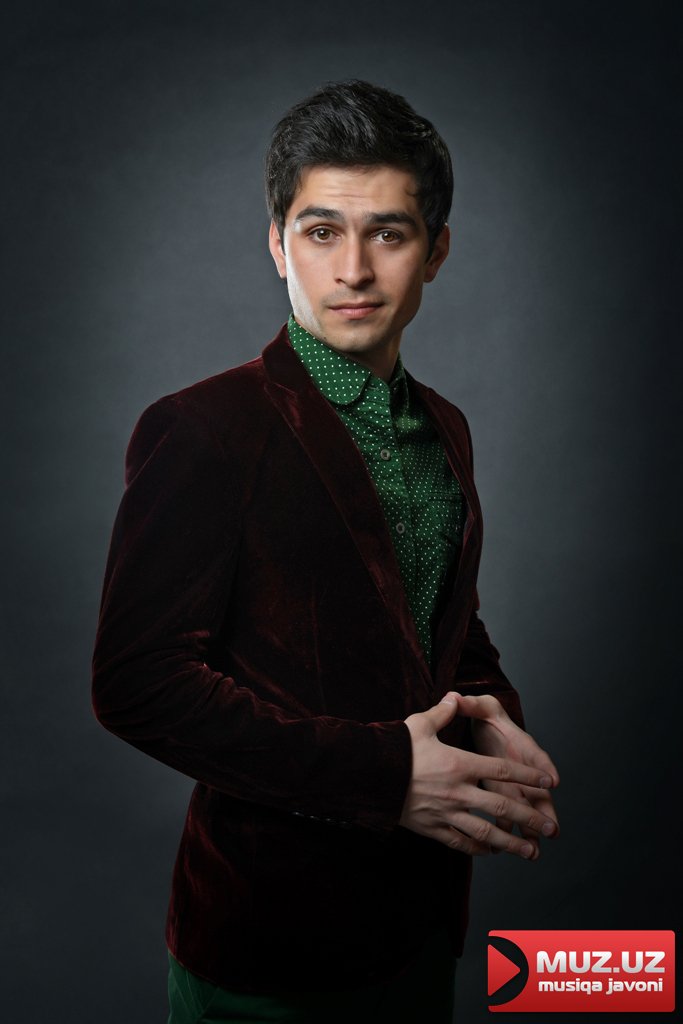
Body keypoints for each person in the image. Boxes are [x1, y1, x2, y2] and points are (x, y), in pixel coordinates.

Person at [92, 79, 559, 1024]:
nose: (353, 269)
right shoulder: (203, 429)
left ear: (435, 252)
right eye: (319, 232)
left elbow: (432, 622)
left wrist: (492, 722)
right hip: (264, 944)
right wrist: (385, 778)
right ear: (277, 245)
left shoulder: (446, 427)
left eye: (387, 234)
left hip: (420, 926)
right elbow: (138, 684)